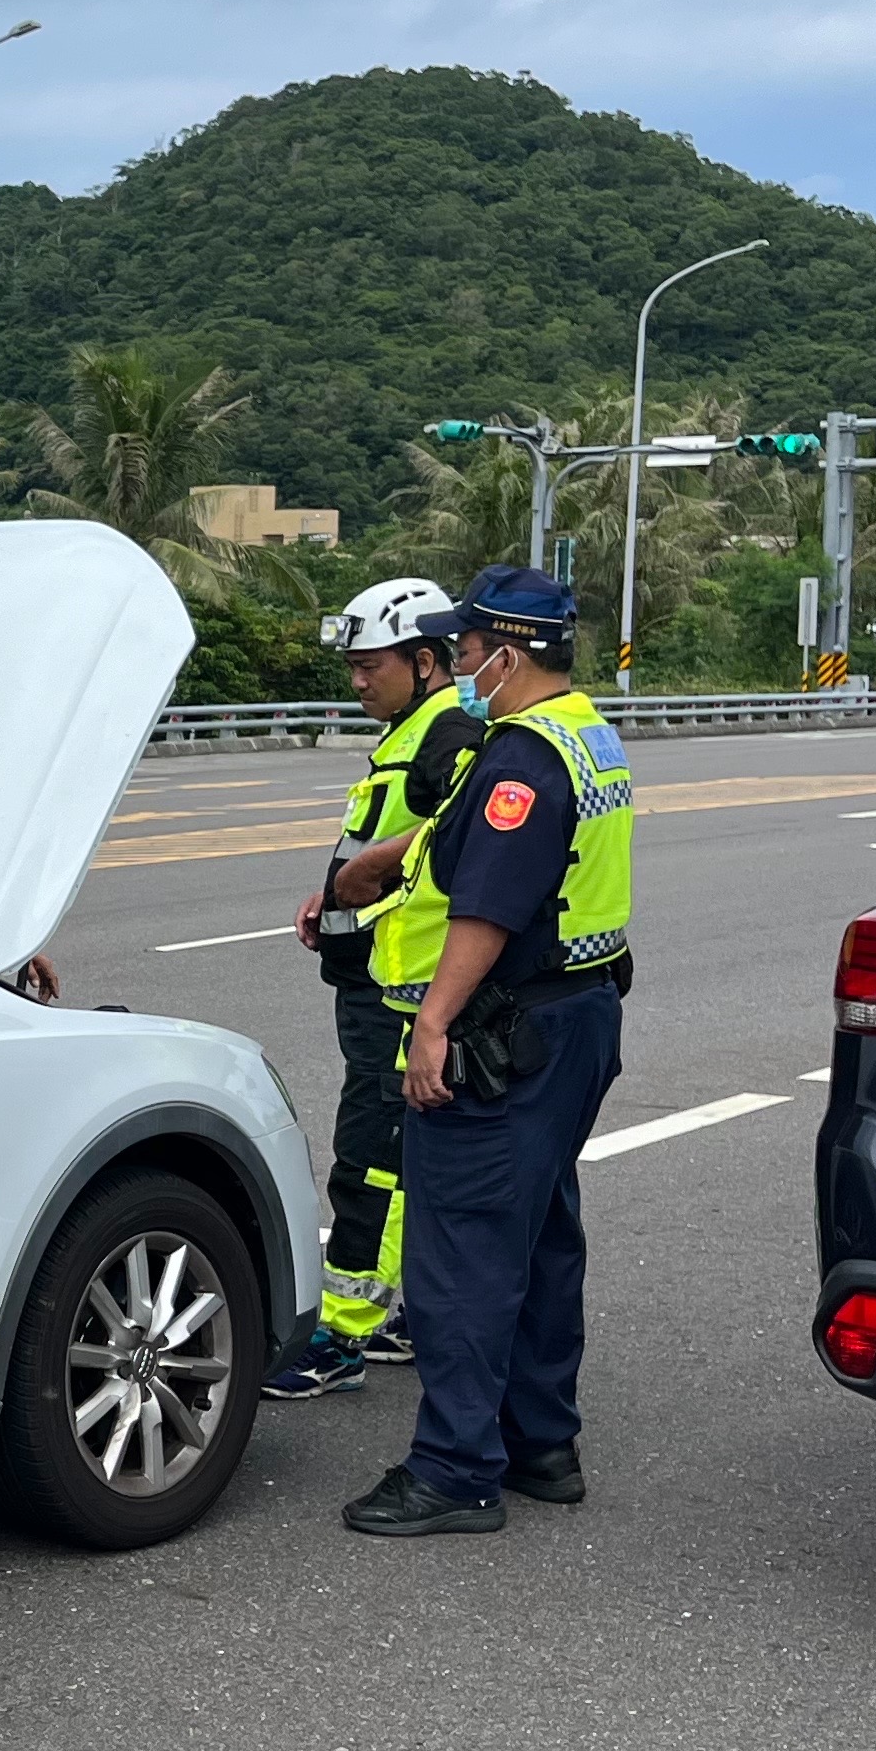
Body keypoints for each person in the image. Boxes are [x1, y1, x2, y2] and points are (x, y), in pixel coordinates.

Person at [341, 565, 635, 1538]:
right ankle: (541, 1445)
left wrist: (432, 1024)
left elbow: (491, 904)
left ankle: (456, 1469)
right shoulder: (584, 732)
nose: (460, 667)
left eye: (467, 651)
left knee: (463, 1249)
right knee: (541, 1236)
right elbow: (486, 848)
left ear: (506, 655)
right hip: (577, 1015)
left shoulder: (522, 759)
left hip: (506, 1030)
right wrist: (389, 860)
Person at [262, 576, 483, 1401]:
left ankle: (344, 1334)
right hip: (375, 974)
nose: (357, 681)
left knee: (372, 1160)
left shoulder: (450, 736)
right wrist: (332, 894)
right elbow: (390, 839)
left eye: (370, 666)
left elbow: (469, 831)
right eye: (352, 667)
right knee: (407, 1158)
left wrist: (375, 869)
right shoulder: (411, 733)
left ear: (424, 662)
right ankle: (417, 1311)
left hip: (404, 991)